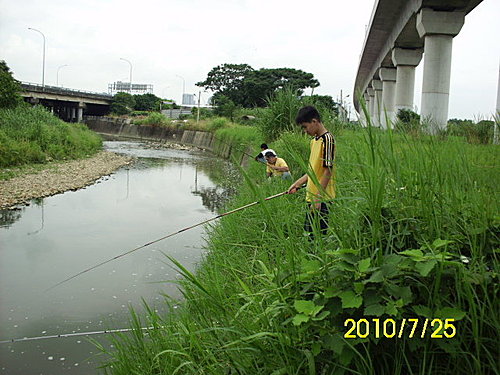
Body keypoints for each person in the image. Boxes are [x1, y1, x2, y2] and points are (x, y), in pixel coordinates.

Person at [288, 106, 335, 238]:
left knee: (318, 237)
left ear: (314, 121)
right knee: (309, 235)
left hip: (322, 199)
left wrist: (319, 197)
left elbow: (328, 170)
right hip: (312, 197)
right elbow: (312, 171)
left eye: (305, 127)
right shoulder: (314, 142)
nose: (305, 131)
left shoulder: (328, 140)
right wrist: (297, 183)